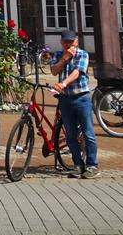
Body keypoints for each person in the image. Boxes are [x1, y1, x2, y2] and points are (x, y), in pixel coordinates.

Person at [50, 29, 99, 179]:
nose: (68, 44)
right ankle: (78, 165)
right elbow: (54, 71)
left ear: (76, 42)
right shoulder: (58, 55)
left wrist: (63, 84)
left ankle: (92, 165)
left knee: (88, 133)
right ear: (61, 42)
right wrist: (64, 59)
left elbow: (77, 73)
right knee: (71, 135)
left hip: (81, 98)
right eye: (65, 41)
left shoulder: (83, 54)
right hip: (65, 99)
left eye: (71, 42)